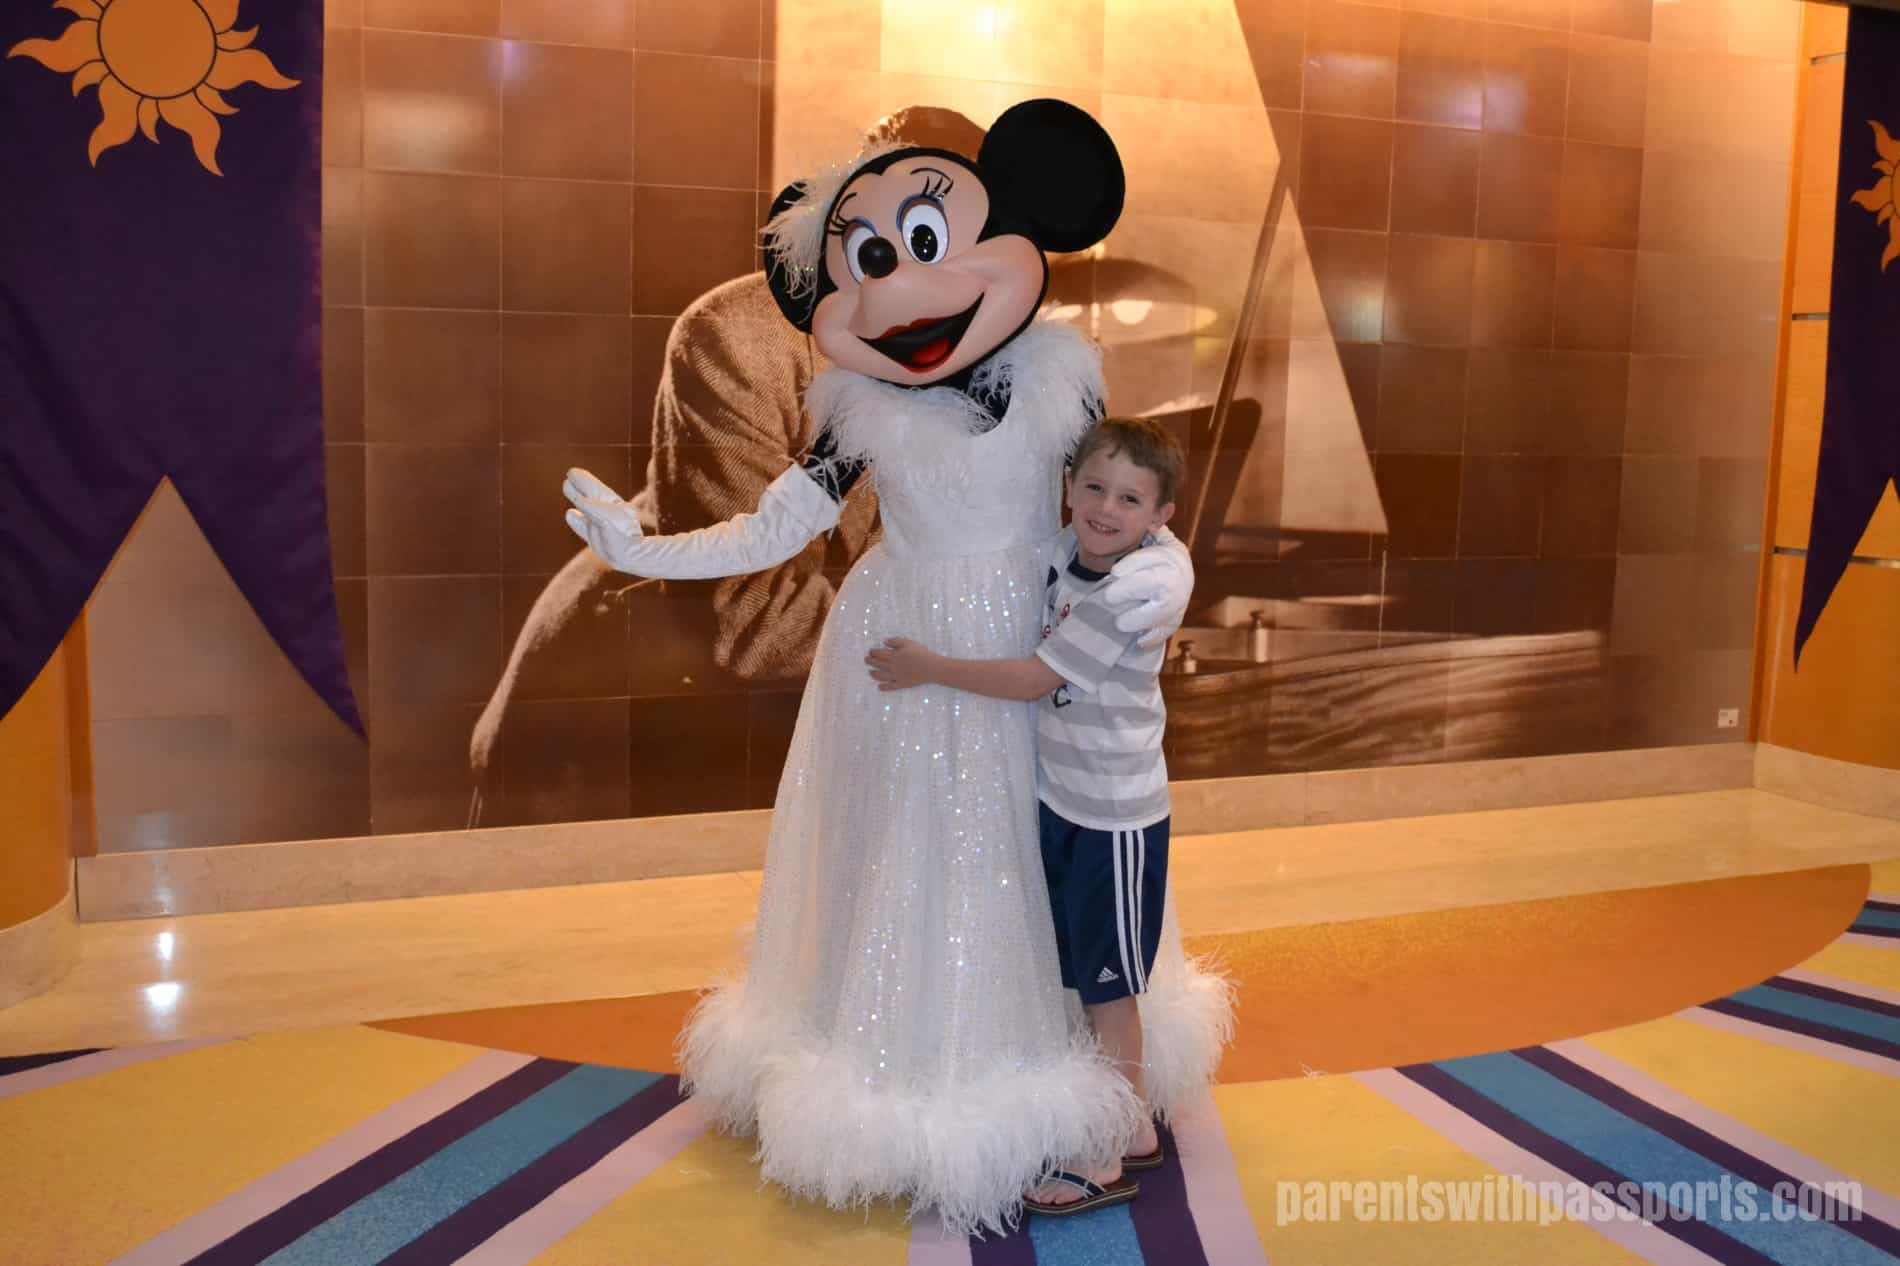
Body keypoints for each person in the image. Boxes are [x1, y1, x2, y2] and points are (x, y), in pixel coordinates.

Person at [562, 101, 1229, 1234]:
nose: (907, 286)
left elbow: (1123, 507)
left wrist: (1162, 586)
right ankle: (912, 1076)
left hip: (1026, 628)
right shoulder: (856, 406)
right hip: (899, 640)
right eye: (868, 259)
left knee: (1046, 848)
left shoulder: (1062, 380)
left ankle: (1089, 1092)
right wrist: (644, 550)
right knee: (911, 845)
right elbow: (778, 524)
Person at [866, 416, 1200, 1217]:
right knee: (1088, 984)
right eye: (1095, 488)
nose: (1106, 508)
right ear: (1068, 486)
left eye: (1130, 499)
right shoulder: (1069, 556)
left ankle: (1102, 1156)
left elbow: (1032, 680)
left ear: (1161, 517)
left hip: (1115, 821)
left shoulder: (1130, 595)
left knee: (1109, 995)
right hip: (1067, 804)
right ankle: (1132, 1127)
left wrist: (929, 668)